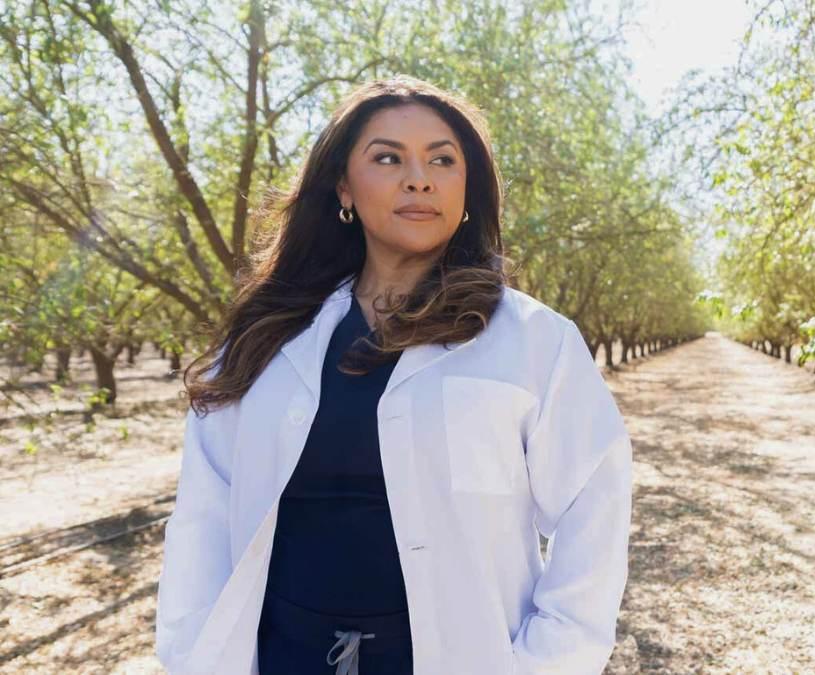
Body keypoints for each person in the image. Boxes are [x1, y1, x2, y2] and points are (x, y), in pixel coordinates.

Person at [154, 75, 634, 675]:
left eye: (442, 160)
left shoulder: (534, 341)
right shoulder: (266, 338)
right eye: (388, 158)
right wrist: (193, 658)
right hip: (281, 656)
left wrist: (549, 661)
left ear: (467, 189)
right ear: (343, 186)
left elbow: (594, 508)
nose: (419, 178)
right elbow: (202, 518)